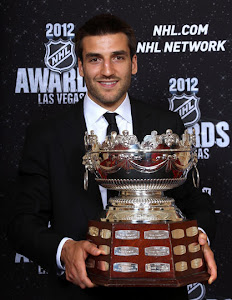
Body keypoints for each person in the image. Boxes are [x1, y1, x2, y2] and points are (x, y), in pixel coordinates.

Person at [8, 14, 217, 299]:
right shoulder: (46, 135)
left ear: (133, 63)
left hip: (159, 293)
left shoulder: (167, 124)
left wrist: (197, 236)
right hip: (80, 292)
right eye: (95, 59)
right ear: (80, 67)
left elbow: (195, 201)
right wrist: (64, 250)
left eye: (117, 57)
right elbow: (22, 223)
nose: (107, 70)